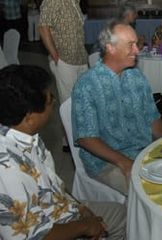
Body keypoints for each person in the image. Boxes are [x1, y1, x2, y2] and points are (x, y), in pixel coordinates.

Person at [0, 64, 126, 240]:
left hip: (61, 208)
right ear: (29, 118)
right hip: (49, 229)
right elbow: (34, 236)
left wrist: (80, 207)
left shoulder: (24, 134)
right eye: (50, 100)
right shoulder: (8, 169)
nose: (53, 102)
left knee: (123, 214)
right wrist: (86, 226)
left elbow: (52, 183)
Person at [72, 21, 162, 194]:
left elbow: (152, 117)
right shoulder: (87, 84)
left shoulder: (137, 77)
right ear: (111, 48)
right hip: (106, 161)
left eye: (136, 44)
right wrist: (123, 161)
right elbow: (86, 138)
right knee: (148, 193)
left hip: (142, 152)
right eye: (131, 45)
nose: (137, 51)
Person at [39, 0, 88, 105]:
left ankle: (80, 123)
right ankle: (69, 124)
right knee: (69, 102)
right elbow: (42, 27)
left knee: (83, 98)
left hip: (81, 58)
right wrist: (54, 55)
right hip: (65, 60)